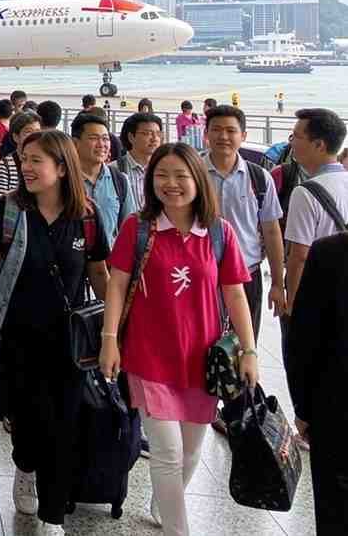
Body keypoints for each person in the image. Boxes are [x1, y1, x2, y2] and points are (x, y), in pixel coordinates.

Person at [0, 131, 111, 536]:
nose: (26, 167)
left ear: (62, 167)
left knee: (63, 426)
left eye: (36, 160)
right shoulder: (10, 210)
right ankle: (25, 466)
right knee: (22, 416)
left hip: (69, 344)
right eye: (24, 159)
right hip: (18, 336)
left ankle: (53, 515)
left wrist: (114, 330)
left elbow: (99, 273)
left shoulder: (87, 217)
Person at [101, 143, 258, 536]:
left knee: (190, 450)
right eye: (161, 176)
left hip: (201, 360)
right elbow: (117, 285)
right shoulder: (138, 228)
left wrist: (250, 350)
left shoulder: (219, 232)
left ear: (197, 180)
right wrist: (109, 338)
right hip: (148, 355)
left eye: (180, 176)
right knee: (167, 452)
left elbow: (235, 293)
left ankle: (163, 501)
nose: (170, 184)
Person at [202, 106, 285, 348]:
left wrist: (277, 283)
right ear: (206, 134)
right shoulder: (190, 173)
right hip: (200, 275)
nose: (223, 136)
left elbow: (271, 231)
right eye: (216, 129)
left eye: (231, 130)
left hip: (246, 276)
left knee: (243, 348)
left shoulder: (259, 178)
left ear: (244, 136)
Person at [284, 227, 348, 534]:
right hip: (333, 417)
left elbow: (302, 341)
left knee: (335, 514)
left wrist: (304, 409)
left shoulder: (329, 253)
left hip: (335, 418)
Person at [282, 109, 348, 357]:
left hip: (318, 298)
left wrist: (293, 308)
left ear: (319, 145)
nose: (292, 142)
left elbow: (299, 257)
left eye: (297, 136)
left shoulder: (305, 192)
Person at [71, 111, 137, 245]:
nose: (101, 144)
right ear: (75, 143)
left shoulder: (120, 181)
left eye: (105, 139)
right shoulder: (64, 180)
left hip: (110, 257)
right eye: (94, 138)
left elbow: (130, 230)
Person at [0, 110, 41, 205]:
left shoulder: (43, 164)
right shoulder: (4, 167)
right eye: (28, 132)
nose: (34, 136)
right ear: (16, 137)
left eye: (37, 132)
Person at [115, 112, 164, 210]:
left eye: (158, 134)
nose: (155, 138)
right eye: (147, 133)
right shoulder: (114, 170)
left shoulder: (164, 169)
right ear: (131, 137)